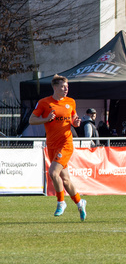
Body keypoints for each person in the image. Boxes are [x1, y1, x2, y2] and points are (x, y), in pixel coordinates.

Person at [29, 75, 87, 221]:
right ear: (55, 88)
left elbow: (74, 120)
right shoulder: (44, 102)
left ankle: (61, 202)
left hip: (66, 144)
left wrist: (77, 122)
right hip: (52, 145)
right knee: (65, 180)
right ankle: (80, 203)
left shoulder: (71, 102)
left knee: (54, 173)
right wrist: (45, 119)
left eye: (67, 86)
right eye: (62, 86)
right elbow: (31, 120)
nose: (66, 89)